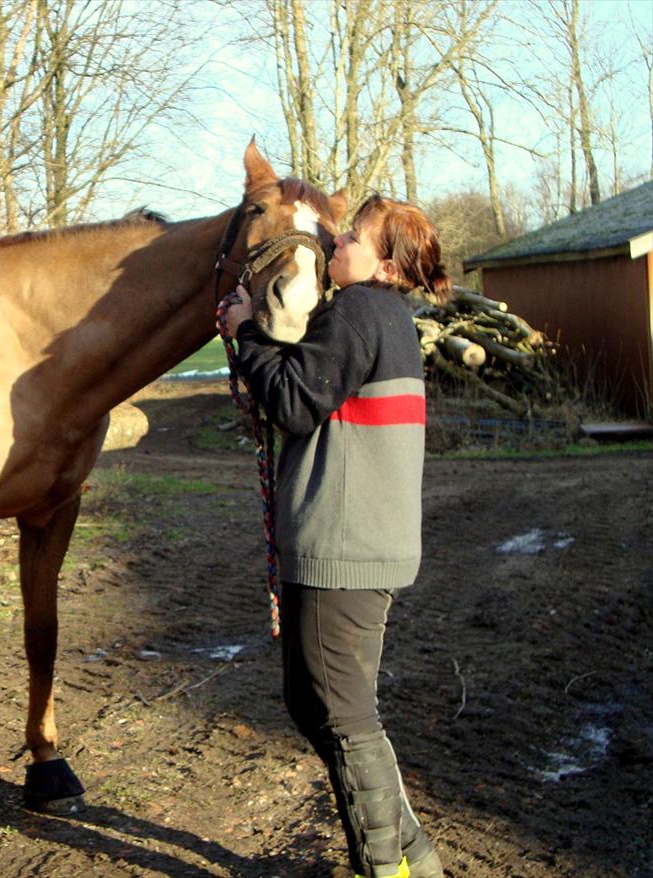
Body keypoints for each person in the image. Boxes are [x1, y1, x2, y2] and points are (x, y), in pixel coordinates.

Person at [224, 193, 451, 878]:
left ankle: (387, 867)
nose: (336, 242)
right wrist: (316, 222)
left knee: (347, 719)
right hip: (353, 543)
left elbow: (294, 398)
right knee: (311, 702)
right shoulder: (384, 315)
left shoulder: (358, 311)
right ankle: (414, 853)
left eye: (352, 236)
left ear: (383, 265)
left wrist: (246, 333)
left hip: (342, 547)